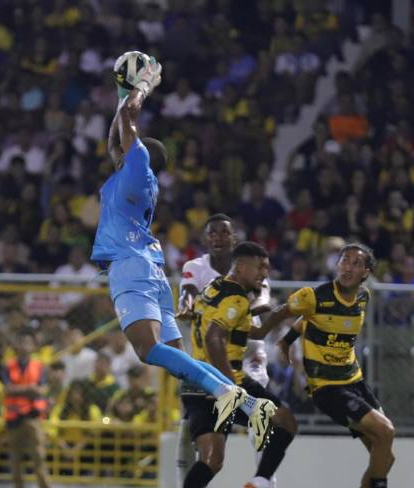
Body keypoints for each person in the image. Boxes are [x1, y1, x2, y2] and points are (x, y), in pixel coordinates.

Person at [90, 52, 276, 447]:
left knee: (147, 349)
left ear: (139, 152)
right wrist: (119, 91)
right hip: (151, 269)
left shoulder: (137, 163)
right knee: (183, 362)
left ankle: (230, 394)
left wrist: (141, 86)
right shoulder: (133, 176)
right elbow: (114, 138)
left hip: (130, 265)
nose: (118, 149)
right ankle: (247, 406)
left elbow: (126, 125)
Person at [255, 243, 405, 488]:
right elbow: (287, 311)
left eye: (355, 263)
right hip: (327, 387)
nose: (347, 267)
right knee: (386, 432)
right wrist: (264, 337)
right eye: (343, 261)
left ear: (366, 272)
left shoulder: (363, 297)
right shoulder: (315, 295)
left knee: (384, 456)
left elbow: (308, 321)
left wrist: (289, 340)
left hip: (355, 381)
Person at [165, 242, 297, 488]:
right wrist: (230, 386)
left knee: (212, 458)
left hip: (195, 383)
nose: (265, 274)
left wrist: (284, 311)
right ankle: (260, 482)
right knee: (286, 421)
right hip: (224, 381)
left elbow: (254, 331)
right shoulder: (236, 296)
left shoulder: (214, 288)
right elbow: (215, 337)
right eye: (260, 267)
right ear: (241, 267)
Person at [1, 330, 58, 488]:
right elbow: (8, 389)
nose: (25, 346)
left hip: (33, 417)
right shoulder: (8, 366)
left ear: (33, 346)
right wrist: (29, 389)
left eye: (28, 342)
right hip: (14, 417)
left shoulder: (39, 366)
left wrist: (21, 389)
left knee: (39, 458)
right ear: (16, 346)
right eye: (22, 342)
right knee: (15, 460)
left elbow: (41, 390)